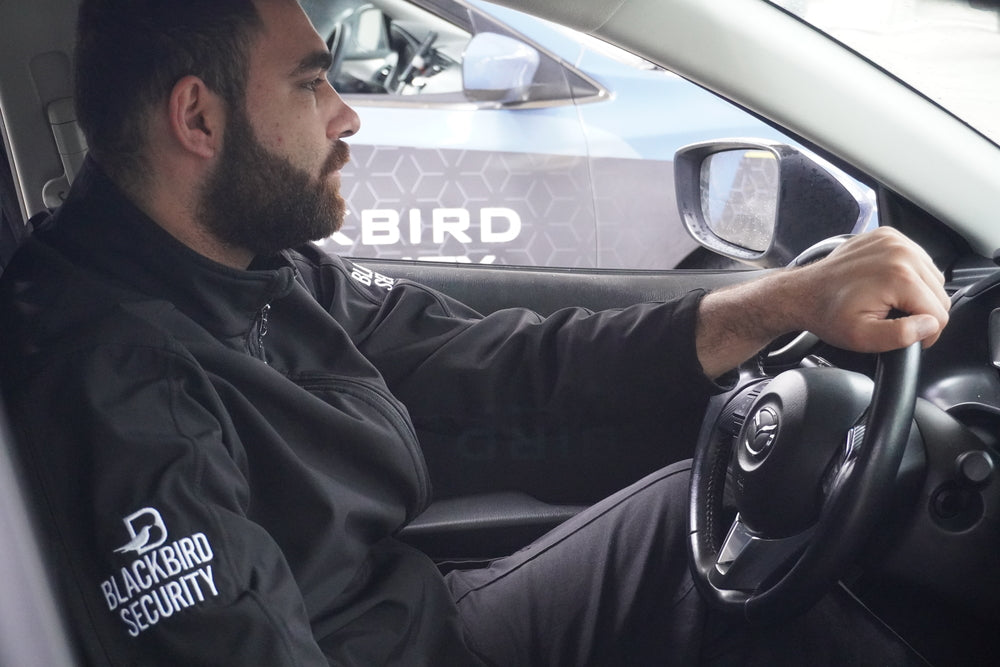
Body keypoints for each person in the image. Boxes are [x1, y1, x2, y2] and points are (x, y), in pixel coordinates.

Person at [0, 0, 950, 665]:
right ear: (197, 118)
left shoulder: (253, 266)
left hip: (419, 620)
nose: (347, 116)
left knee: (697, 524)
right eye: (309, 85)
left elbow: (497, 364)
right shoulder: (117, 382)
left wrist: (786, 301)